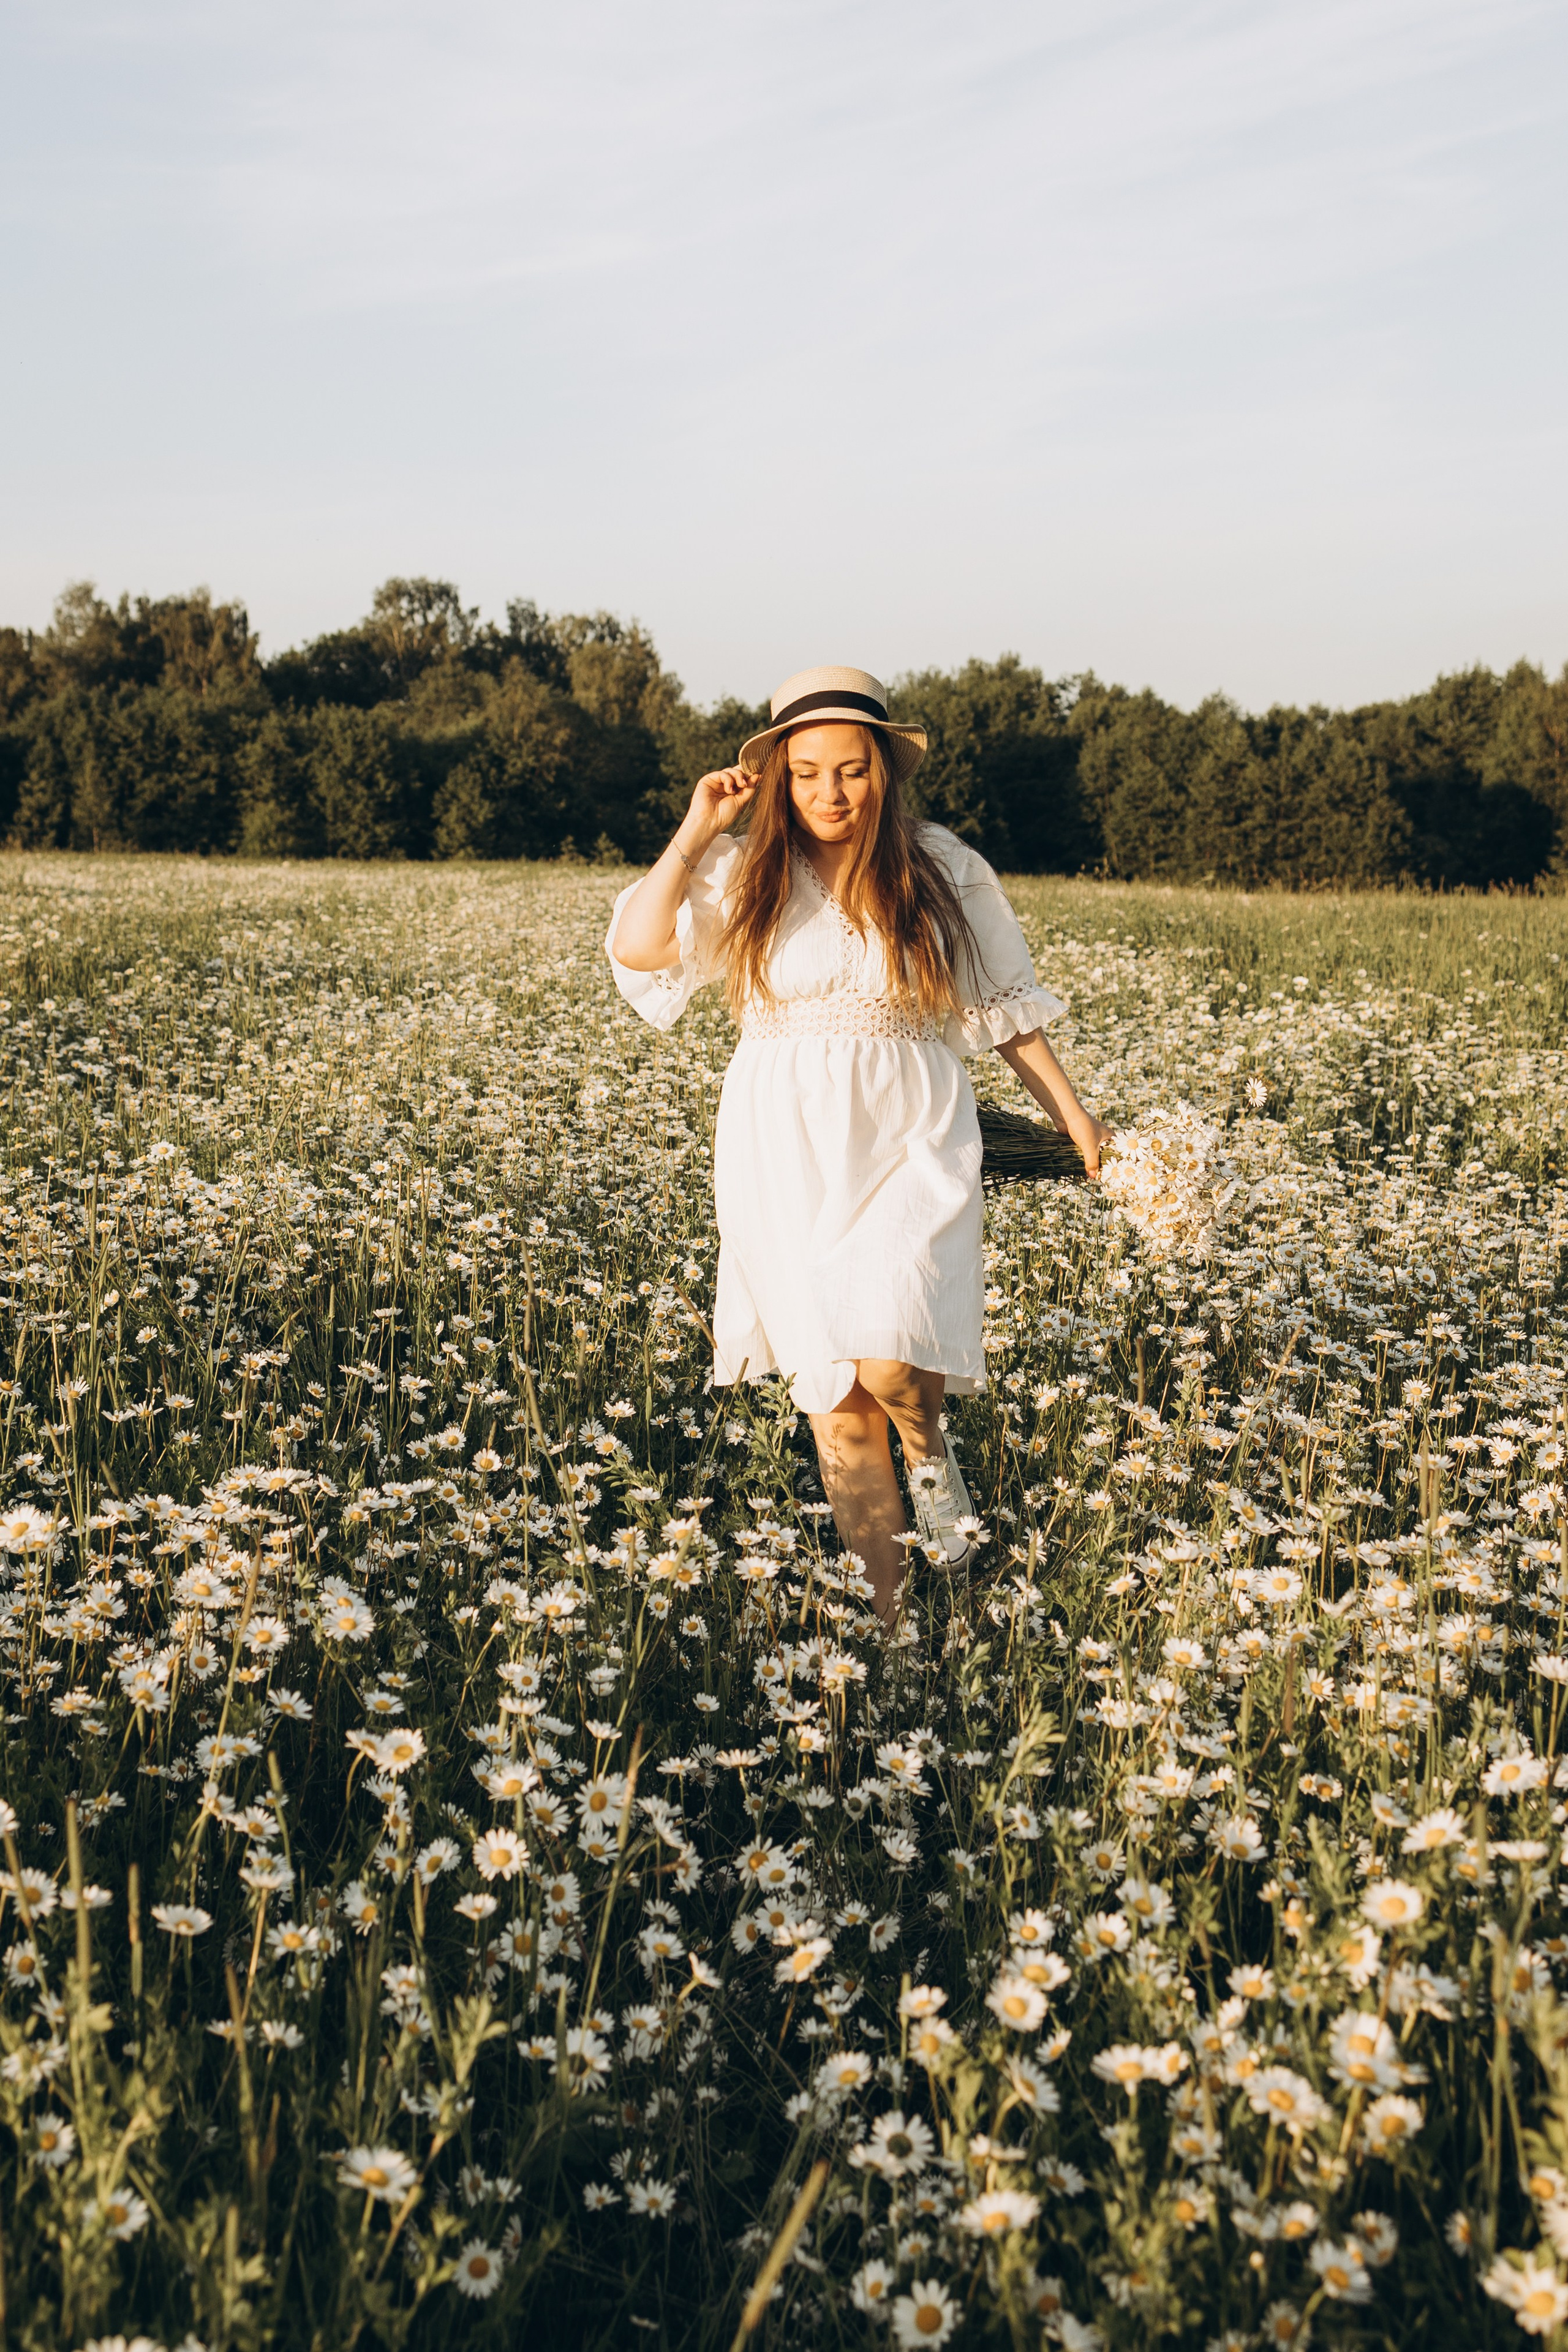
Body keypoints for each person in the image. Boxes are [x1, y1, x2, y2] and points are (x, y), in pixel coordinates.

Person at [607, 665, 1110, 1623]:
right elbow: (638, 949)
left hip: (909, 1129)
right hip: (779, 1145)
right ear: (777, 778)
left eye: (851, 771)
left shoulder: (941, 867)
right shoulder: (743, 870)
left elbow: (1001, 1007)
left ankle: (932, 1458)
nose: (830, 794)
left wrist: (1072, 1121)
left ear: (884, 772)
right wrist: (696, 829)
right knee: (836, 1399)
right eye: (806, 773)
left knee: (891, 1360)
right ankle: (890, 1630)